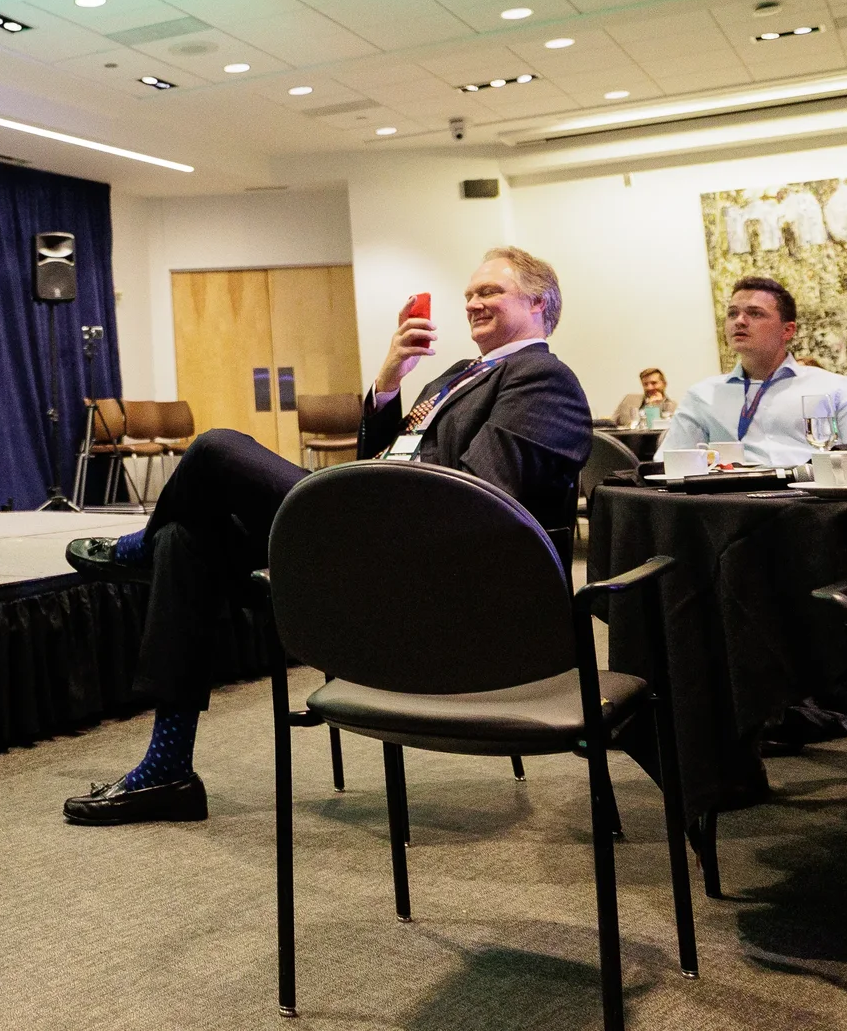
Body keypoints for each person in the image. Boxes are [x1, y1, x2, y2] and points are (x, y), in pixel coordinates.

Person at [59, 247, 591, 825]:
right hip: (370, 535)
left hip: (422, 566)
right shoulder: (459, 374)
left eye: (491, 291)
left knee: (215, 448)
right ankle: (168, 769)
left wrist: (363, 501)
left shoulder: (544, 379)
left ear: (540, 303)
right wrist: (388, 384)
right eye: (469, 293)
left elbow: (477, 500)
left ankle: (132, 547)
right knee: (185, 542)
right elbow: (384, 458)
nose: (472, 301)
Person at [663, 276, 847, 466]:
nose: (739, 321)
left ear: (787, 330)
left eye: (755, 314)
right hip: (732, 506)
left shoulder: (835, 388)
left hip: (813, 503)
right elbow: (670, 463)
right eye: (732, 314)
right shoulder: (702, 395)